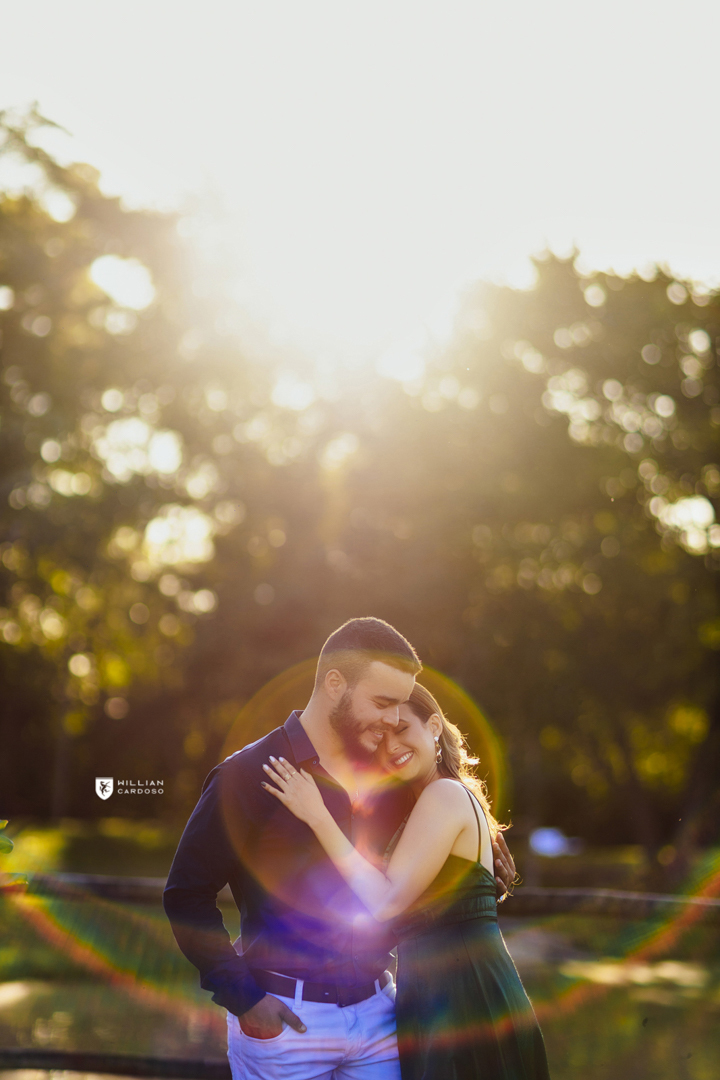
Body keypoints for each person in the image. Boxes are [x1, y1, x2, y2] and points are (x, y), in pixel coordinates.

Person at [163, 618, 516, 1080]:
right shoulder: (249, 775)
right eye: (383, 702)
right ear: (335, 684)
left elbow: (437, 829)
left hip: (380, 1016)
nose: (393, 718)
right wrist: (245, 1000)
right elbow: (186, 895)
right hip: (286, 1022)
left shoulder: (390, 776)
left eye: (399, 705)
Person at [262, 681, 550, 1079]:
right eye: (380, 740)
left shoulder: (443, 795)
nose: (391, 748)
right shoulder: (426, 803)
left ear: (433, 726)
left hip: (463, 1000)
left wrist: (317, 815)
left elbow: (385, 902)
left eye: (402, 730)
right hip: (439, 998)